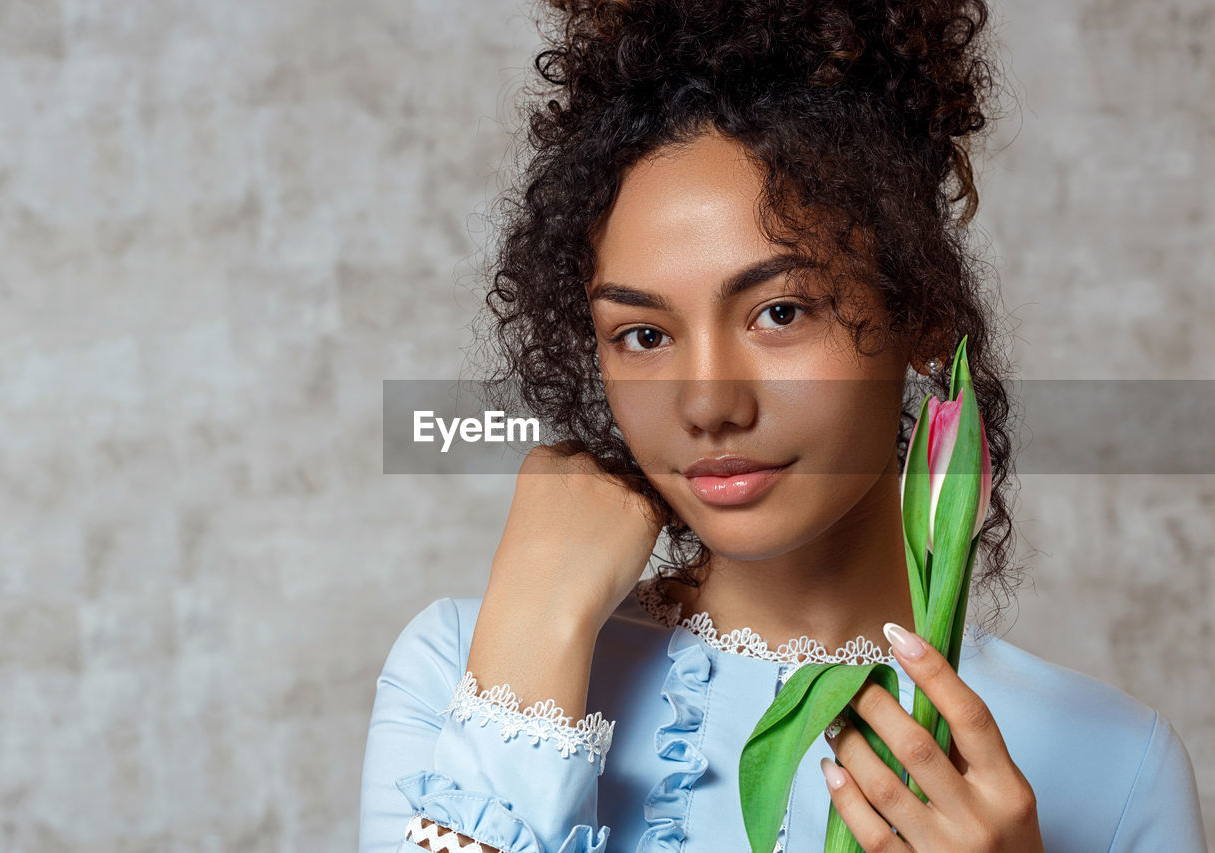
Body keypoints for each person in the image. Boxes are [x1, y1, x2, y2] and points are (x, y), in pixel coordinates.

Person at [359, 0, 1208, 850]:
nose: (707, 405)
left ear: (919, 308)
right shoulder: (465, 667)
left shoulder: (1114, 764)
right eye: (644, 335)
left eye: (779, 311)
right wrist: (537, 634)